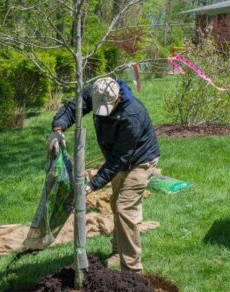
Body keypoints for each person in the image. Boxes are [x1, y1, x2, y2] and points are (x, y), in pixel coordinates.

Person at [48, 77, 160, 274]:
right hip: (118, 159)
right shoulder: (97, 91)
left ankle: (133, 271)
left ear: (117, 99)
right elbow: (73, 108)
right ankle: (118, 252)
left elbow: (119, 159)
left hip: (140, 161)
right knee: (116, 202)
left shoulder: (131, 115)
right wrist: (58, 129)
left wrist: (93, 184)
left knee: (124, 208)